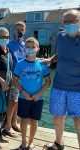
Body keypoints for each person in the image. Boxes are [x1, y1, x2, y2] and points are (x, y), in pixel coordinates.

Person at [42, 9, 80, 150]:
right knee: (58, 116)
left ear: (79, 21)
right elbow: (61, 52)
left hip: (77, 88)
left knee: (78, 120)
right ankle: (59, 143)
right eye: (67, 21)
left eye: (73, 20)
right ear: (63, 23)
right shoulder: (61, 36)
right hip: (59, 85)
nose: (70, 24)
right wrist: (51, 59)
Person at [13, 37, 51, 150]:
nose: (30, 49)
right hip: (23, 98)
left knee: (34, 121)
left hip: (37, 99)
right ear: (24, 49)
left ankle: (31, 142)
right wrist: (23, 92)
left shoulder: (42, 64)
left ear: (37, 49)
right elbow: (15, 80)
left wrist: (38, 94)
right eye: (27, 47)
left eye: (32, 47)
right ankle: (23, 141)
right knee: (23, 120)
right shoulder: (20, 64)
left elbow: (48, 82)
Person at [3, 21, 26, 137]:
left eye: (21, 29)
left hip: (24, 77)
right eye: (17, 29)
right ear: (14, 30)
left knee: (18, 101)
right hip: (14, 76)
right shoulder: (9, 44)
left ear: (25, 31)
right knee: (12, 101)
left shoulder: (25, 45)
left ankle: (14, 122)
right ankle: (7, 126)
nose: (19, 31)